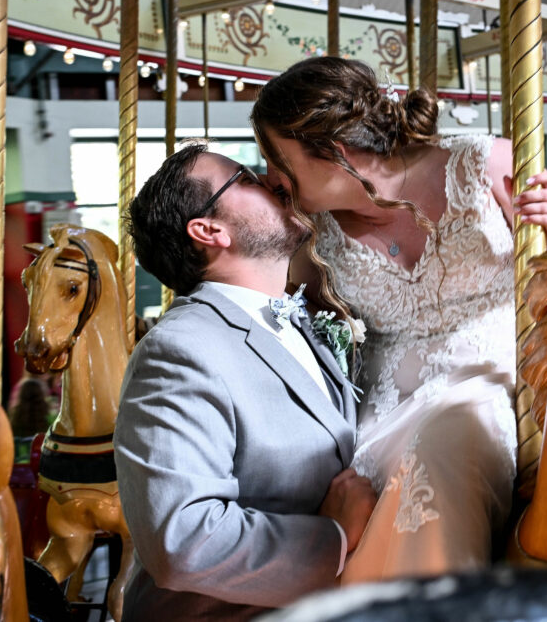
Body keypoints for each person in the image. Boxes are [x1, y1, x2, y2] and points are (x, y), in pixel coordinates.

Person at [249, 57, 547, 583]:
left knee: (442, 450)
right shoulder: (312, 232)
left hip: (493, 381)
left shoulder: (483, 164)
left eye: (277, 158)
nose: (273, 177)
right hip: (382, 406)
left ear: (332, 150)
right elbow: (266, 300)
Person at [114, 143, 377, 621]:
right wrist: (334, 538)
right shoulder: (180, 350)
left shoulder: (302, 318)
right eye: (248, 179)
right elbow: (183, 540)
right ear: (209, 230)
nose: (274, 181)